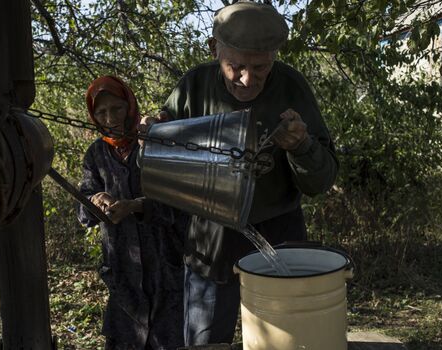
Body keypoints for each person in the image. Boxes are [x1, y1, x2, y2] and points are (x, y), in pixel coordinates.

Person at [141, 1, 339, 346]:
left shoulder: (291, 87)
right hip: (210, 246)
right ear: (214, 48)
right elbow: (158, 157)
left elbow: (320, 181)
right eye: (236, 66)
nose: (247, 79)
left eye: (260, 66)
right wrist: (153, 135)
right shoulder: (193, 87)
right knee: (205, 343)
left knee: (285, 341)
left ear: (275, 55)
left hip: (279, 241)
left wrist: (301, 145)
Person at [77, 76, 185, 350]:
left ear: (130, 106)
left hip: (164, 264)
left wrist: (135, 206)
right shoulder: (96, 154)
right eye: (101, 112)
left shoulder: (151, 144)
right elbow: (83, 210)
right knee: (126, 340)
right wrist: (96, 200)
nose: (110, 118)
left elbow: (176, 205)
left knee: (168, 339)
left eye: (117, 109)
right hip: (122, 267)